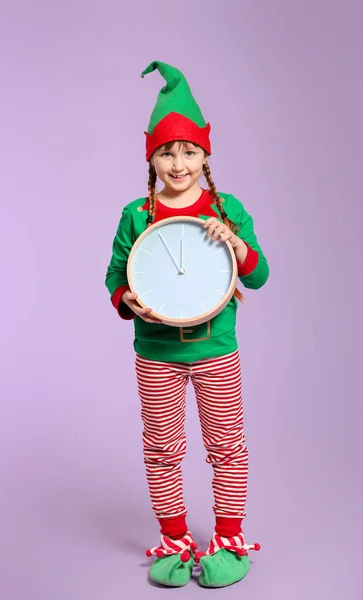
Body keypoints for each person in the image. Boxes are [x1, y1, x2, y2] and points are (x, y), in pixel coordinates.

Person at [105, 61, 269, 588]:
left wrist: (238, 244)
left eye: (189, 151)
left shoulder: (226, 208)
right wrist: (128, 298)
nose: (178, 163)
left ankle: (228, 538)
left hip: (216, 348)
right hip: (155, 353)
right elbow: (114, 275)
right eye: (167, 151)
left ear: (205, 154)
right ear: (151, 155)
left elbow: (260, 274)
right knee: (162, 448)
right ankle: (175, 540)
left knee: (226, 445)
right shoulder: (137, 214)